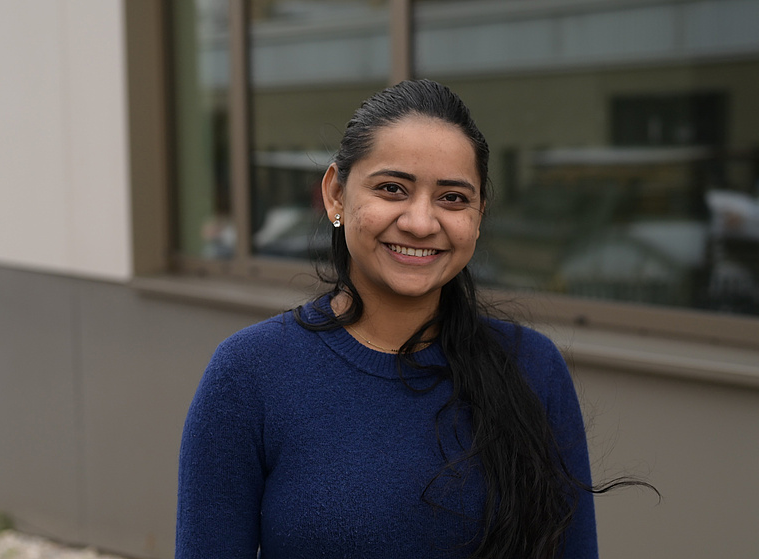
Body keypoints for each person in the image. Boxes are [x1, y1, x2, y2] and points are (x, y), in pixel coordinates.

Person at [176, 79, 609, 558]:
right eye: (392, 188)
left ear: (480, 214)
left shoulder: (532, 368)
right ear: (336, 194)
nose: (421, 222)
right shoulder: (248, 374)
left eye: (452, 198)